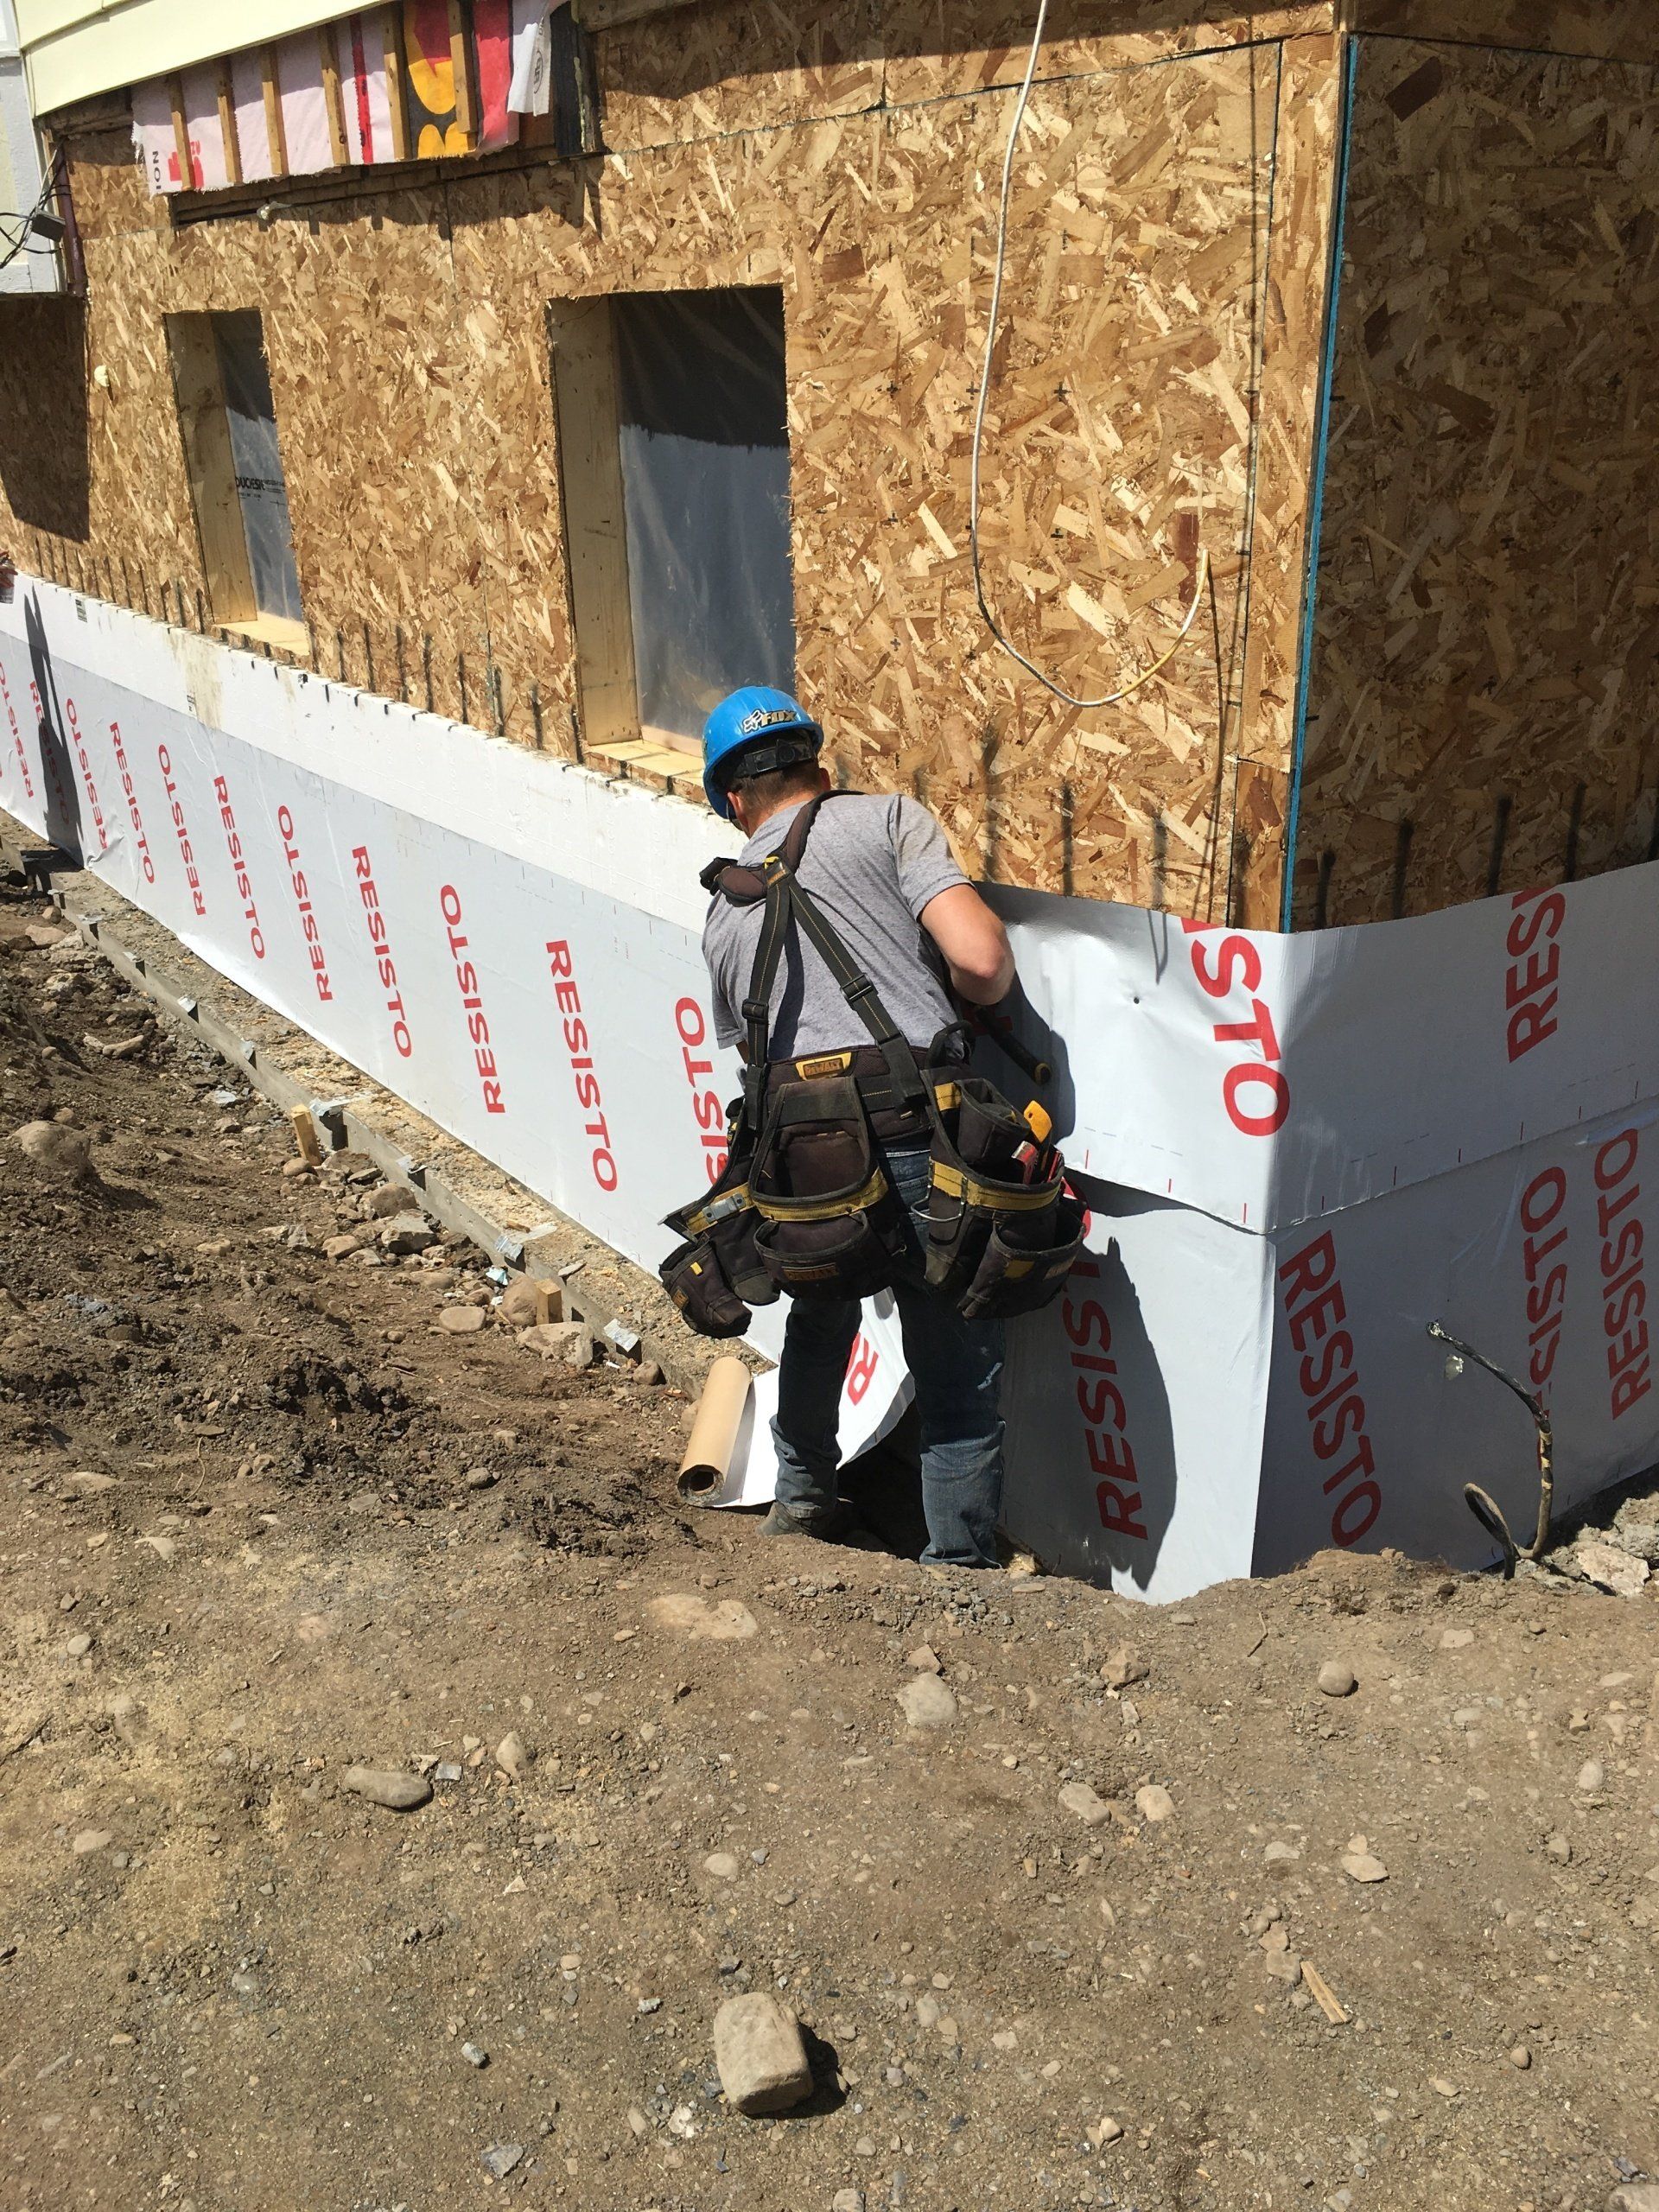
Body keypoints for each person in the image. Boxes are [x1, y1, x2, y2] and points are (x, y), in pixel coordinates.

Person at [699, 685, 1018, 1568]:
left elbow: (753, 1060)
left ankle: (802, 1504)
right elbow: (982, 962)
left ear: (733, 802)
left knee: (820, 1319)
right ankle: (956, 1575)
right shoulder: (887, 821)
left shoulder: (723, 908)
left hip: (804, 1159)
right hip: (920, 1132)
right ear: (821, 769)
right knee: (957, 1370)